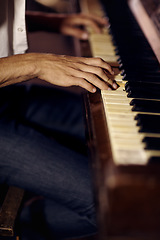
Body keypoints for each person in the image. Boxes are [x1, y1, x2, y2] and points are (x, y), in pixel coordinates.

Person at [0, 0, 118, 239]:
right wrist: (35, 64)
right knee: (114, 206)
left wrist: (46, 21)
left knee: (113, 133)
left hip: (6, 95)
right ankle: (19, 223)